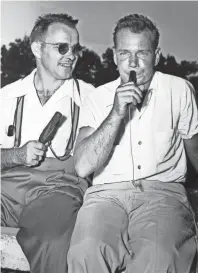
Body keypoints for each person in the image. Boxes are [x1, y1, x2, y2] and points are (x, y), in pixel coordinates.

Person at [67, 14, 198, 273]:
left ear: (157, 55)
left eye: (143, 53)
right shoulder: (98, 96)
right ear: (115, 56)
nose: (133, 63)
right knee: (86, 251)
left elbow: (194, 149)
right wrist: (116, 113)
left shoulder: (179, 89)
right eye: (125, 54)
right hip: (105, 196)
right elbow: (82, 167)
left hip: (163, 192)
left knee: (161, 255)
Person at [0, 13, 95, 273]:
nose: (71, 55)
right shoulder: (6, 96)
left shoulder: (91, 98)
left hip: (59, 189)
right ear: (37, 48)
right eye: (62, 47)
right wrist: (16, 155)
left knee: (52, 240)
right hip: (7, 188)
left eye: (75, 49)